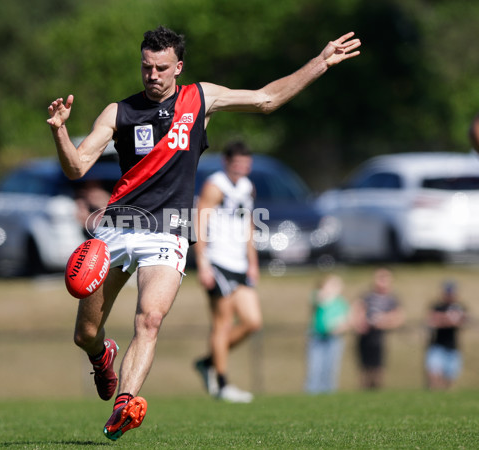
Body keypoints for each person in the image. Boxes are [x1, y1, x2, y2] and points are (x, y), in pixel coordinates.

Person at [47, 26, 361, 440]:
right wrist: (60, 131)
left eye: (161, 67)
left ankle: (124, 404)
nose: (152, 75)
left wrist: (320, 62)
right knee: (85, 332)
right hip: (118, 227)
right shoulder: (118, 112)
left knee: (150, 319)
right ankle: (101, 354)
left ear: (178, 67)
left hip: (170, 231)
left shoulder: (201, 97)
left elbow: (266, 99)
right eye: (146, 67)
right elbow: (77, 168)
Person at [193, 141, 262, 403]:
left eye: (245, 164)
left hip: (240, 264)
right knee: (223, 323)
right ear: (226, 162)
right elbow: (200, 222)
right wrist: (203, 262)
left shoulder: (247, 187)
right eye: (236, 164)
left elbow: (249, 226)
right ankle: (221, 384)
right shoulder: (215, 185)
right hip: (218, 261)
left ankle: (208, 361)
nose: (241, 169)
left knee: (253, 321)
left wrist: (252, 261)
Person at [351, 267, 405, 390]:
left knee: (378, 368)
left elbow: (399, 318)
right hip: (365, 337)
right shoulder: (367, 296)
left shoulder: (392, 298)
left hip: (380, 337)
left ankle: (377, 390)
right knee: (364, 367)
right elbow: (357, 311)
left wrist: (384, 321)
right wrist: (360, 323)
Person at [305, 274, 350, 394]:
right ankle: (312, 392)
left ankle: (328, 392)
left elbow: (346, 321)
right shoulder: (318, 296)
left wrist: (339, 328)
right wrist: (327, 293)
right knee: (315, 368)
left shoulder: (341, 303)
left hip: (334, 339)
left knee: (330, 369)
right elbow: (320, 300)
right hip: (317, 337)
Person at [425, 281, 467, 390]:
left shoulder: (460, 307)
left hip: (452, 347)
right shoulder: (437, 306)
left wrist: (443, 319)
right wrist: (448, 319)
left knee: (450, 379)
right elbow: (432, 320)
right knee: (434, 374)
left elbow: (462, 321)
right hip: (437, 345)